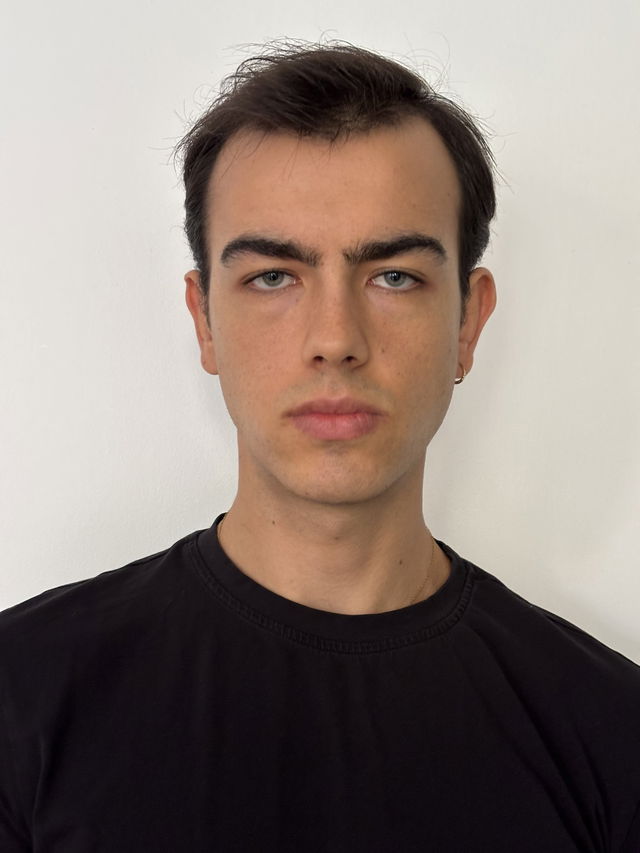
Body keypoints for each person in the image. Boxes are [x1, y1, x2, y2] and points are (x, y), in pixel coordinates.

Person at [1, 42, 639, 853]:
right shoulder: (21, 696)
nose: (335, 338)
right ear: (205, 320)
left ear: (468, 323)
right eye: (273, 276)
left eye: (394, 276)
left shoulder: (613, 733)